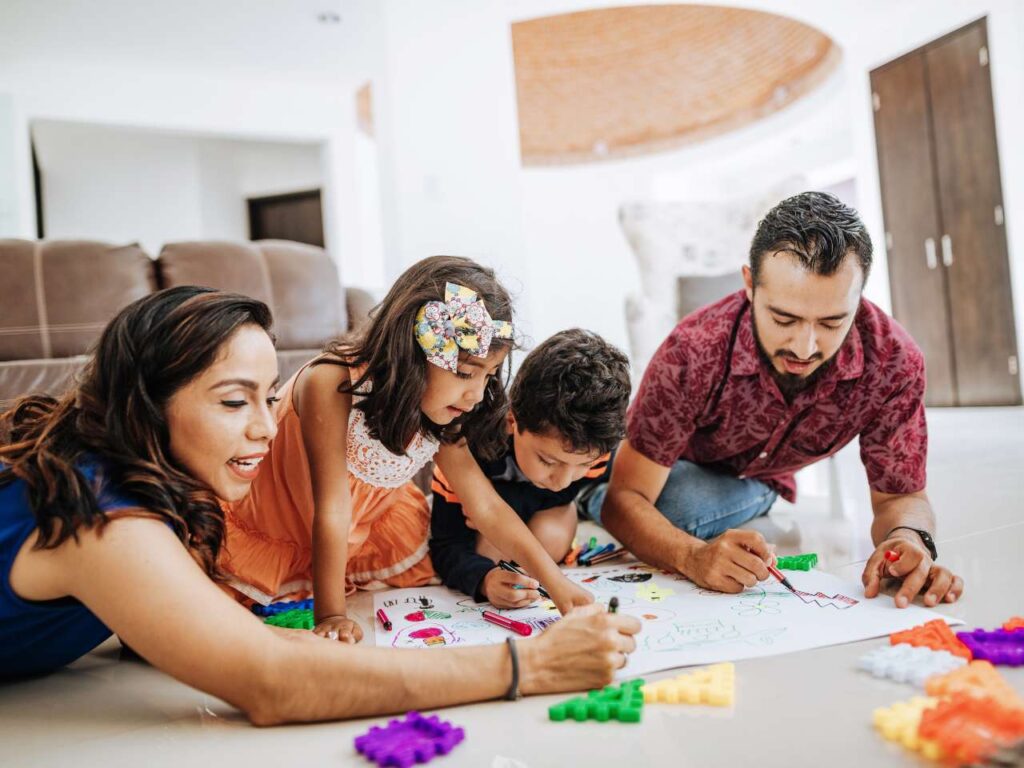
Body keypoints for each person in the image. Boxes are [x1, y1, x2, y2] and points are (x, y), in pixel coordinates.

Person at [0, 285, 640, 722]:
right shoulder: (103, 516)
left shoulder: (141, 485)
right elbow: (271, 679)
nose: (266, 428)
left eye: (267, 396)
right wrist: (532, 664)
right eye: (232, 401)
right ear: (144, 405)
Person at [590, 192, 964, 609]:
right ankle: (585, 482)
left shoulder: (894, 361)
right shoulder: (693, 351)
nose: (805, 346)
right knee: (650, 501)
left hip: (757, 479)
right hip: (665, 462)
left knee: (675, 507)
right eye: (783, 319)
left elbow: (901, 497)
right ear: (750, 285)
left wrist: (908, 539)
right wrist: (691, 556)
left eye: (831, 322)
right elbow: (625, 499)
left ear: (858, 297)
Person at [220, 256, 593, 643]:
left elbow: (486, 506)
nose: (477, 394)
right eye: (465, 372)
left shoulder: (447, 409)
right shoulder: (329, 382)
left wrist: (556, 584)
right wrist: (331, 615)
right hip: (282, 518)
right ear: (413, 352)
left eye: (489, 375)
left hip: (362, 528)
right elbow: (330, 508)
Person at [431, 329, 630, 605]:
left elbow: (565, 490)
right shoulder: (469, 449)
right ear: (512, 421)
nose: (563, 480)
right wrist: (485, 579)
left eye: (583, 465)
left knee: (552, 536)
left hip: (544, 511)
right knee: (489, 548)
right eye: (548, 461)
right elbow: (445, 545)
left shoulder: (595, 446)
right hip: (481, 520)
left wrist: (515, 502)